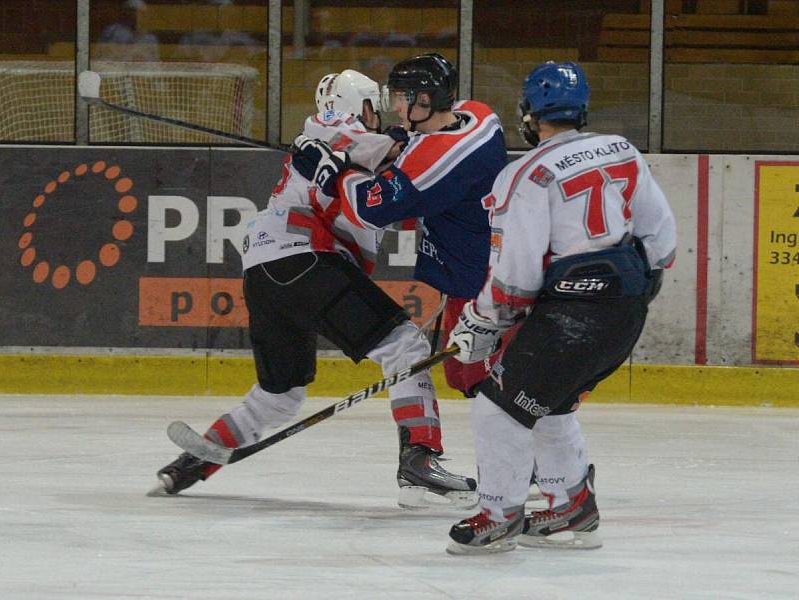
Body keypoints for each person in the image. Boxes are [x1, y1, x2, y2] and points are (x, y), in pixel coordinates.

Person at [151, 69, 477, 510]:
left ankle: (189, 464)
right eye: (371, 107)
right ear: (355, 105)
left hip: (267, 272)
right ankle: (420, 462)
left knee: (279, 395)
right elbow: (374, 149)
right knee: (405, 346)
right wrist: (402, 138)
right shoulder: (334, 129)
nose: (377, 117)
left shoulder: (336, 146)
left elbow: (382, 194)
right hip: (305, 259)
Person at [444, 61, 677, 554]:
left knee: (497, 407)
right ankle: (571, 505)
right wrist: (626, 291)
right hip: (626, 309)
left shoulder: (525, 174)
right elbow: (662, 239)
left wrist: (481, 323)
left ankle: (498, 514)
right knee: (547, 401)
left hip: (575, 315)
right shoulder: (621, 149)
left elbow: (515, 275)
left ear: (529, 114)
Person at [294, 53, 508, 399]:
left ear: (424, 100)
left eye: (400, 98)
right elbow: (425, 153)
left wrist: (334, 171)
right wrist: (395, 143)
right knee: (465, 376)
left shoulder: (433, 166)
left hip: (479, 282)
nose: (394, 107)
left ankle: (543, 446)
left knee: (486, 383)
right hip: (490, 260)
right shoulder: (479, 114)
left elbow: (367, 208)